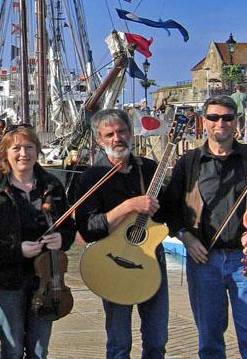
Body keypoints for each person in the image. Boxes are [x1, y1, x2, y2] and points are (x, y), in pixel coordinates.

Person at [162, 95, 247, 358]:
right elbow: (171, 208)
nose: (221, 123)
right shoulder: (190, 162)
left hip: (244, 259)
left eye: (227, 118)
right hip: (203, 260)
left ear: (236, 122)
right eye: (214, 117)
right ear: (204, 122)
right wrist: (185, 237)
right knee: (209, 342)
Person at [0, 126, 75, 359]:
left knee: (39, 350)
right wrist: (17, 250)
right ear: (5, 154)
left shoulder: (53, 186)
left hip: (47, 280)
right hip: (7, 281)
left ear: (37, 151)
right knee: (13, 348)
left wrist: (62, 239)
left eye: (29, 147)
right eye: (16, 148)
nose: (23, 153)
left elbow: (68, 227)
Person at [74, 109, 169, 358]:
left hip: (151, 260)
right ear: (99, 140)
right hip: (113, 262)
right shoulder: (91, 177)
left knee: (157, 340)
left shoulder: (149, 170)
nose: (117, 138)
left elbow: (171, 214)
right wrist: (129, 206)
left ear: (130, 133)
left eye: (122, 131)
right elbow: (88, 227)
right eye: (110, 134)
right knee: (119, 343)